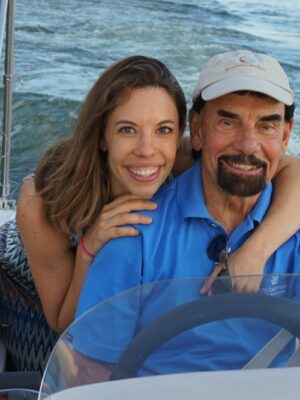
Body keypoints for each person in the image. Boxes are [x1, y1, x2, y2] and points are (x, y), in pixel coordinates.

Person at [0, 52, 299, 373]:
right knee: (52, 364)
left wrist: (256, 250)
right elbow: (62, 320)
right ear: (102, 134)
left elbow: (286, 168)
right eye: (127, 129)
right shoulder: (45, 198)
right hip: (34, 291)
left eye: (164, 130)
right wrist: (89, 249)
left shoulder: (189, 155)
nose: (147, 150)